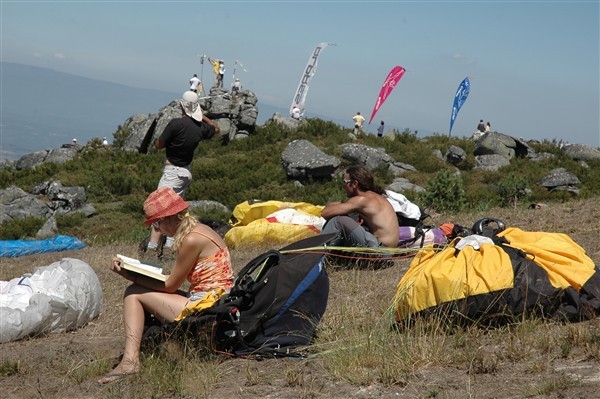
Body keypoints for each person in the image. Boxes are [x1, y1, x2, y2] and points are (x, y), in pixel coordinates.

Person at [98, 187, 234, 384]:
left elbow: (170, 286)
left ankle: (130, 362)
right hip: (215, 299)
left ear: (170, 218)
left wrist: (128, 275)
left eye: (157, 223)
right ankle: (131, 359)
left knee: (133, 293)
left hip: (207, 306)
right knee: (138, 290)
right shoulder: (199, 230)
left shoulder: (190, 239)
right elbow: (174, 280)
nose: (158, 229)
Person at [145, 91, 220, 254]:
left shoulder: (176, 124)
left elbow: (159, 145)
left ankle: (152, 249)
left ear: (182, 105)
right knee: (175, 211)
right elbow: (216, 129)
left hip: (172, 173)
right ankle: (171, 246)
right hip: (185, 173)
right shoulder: (200, 128)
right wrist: (203, 116)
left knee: (160, 210)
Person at [320, 165, 399, 248]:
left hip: (381, 250)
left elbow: (325, 213)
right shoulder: (373, 197)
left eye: (344, 182)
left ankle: (321, 252)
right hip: (387, 249)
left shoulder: (361, 200)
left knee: (337, 221)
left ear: (354, 184)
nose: (343, 186)